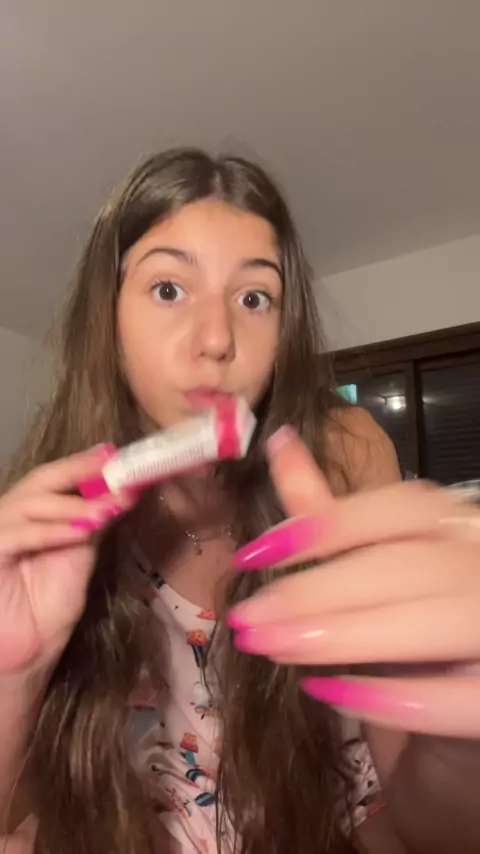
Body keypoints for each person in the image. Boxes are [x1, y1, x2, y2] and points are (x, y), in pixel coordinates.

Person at [0, 148, 479, 854]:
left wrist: (460, 736)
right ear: (107, 321)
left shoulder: (341, 457)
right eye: (169, 288)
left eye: (254, 298)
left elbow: (433, 828)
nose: (218, 339)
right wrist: (17, 674)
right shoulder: (46, 527)